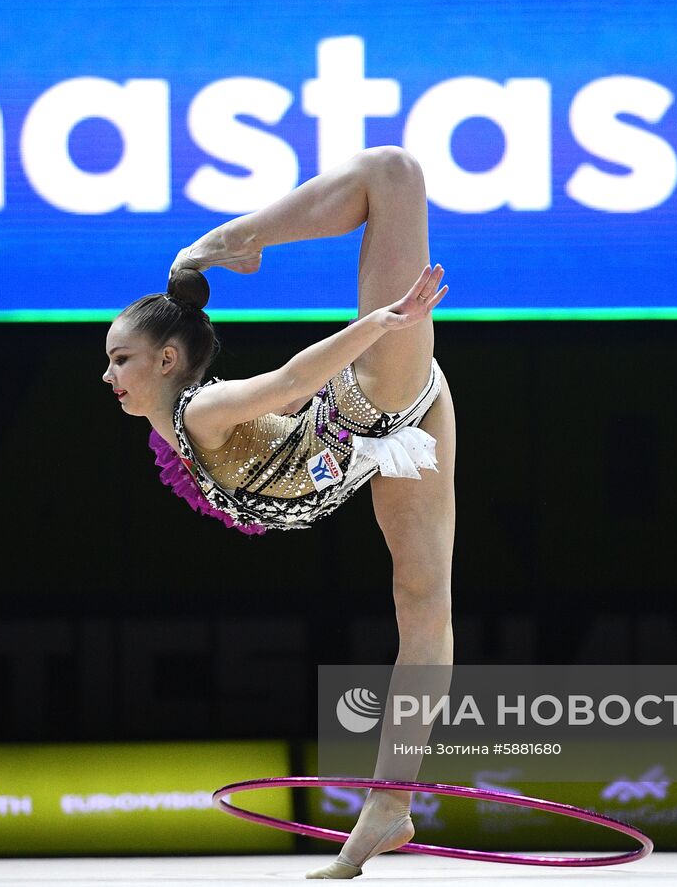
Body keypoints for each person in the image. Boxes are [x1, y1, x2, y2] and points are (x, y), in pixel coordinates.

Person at [102, 147, 456, 878]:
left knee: (394, 172)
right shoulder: (174, 435)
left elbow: (295, 381)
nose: (108, 375)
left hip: (378, 395)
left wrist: (381, 325)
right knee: (421, 609)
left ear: (167, 361)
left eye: (120, 359)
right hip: (369, 441)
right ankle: (390, 807)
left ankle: (235, 238)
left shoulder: (201, 412)